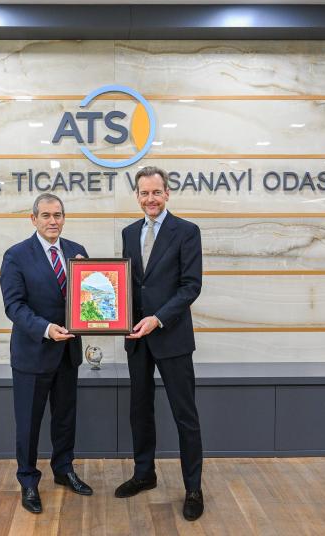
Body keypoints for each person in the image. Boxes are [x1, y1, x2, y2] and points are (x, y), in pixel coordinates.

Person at [116, 166, 205, 521]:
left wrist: (158, 318)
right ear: (137, 196)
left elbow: (191, 286)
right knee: (140, 411)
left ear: (167, 193)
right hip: (137, 339)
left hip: (172, 337)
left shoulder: (187, 231)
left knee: (186, 415)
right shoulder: (128, 232)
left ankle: (193, 488)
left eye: (156, 192)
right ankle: (144, 474)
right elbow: (128, 283)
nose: (150, 199)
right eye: (144, 193)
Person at [0, 192, 93, 514]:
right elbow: (14, 306)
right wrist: (46, 328)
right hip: (33, 353)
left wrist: (94, 291)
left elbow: (88, 301)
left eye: (58, 215)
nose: (53, 221)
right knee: (29, 424)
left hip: (68, 353)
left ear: (64, 218)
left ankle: (64, 470)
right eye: (46, 215)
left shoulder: (77, 251)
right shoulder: (16, 255)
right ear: (33, 219)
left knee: (65, 419)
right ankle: (28, 480)